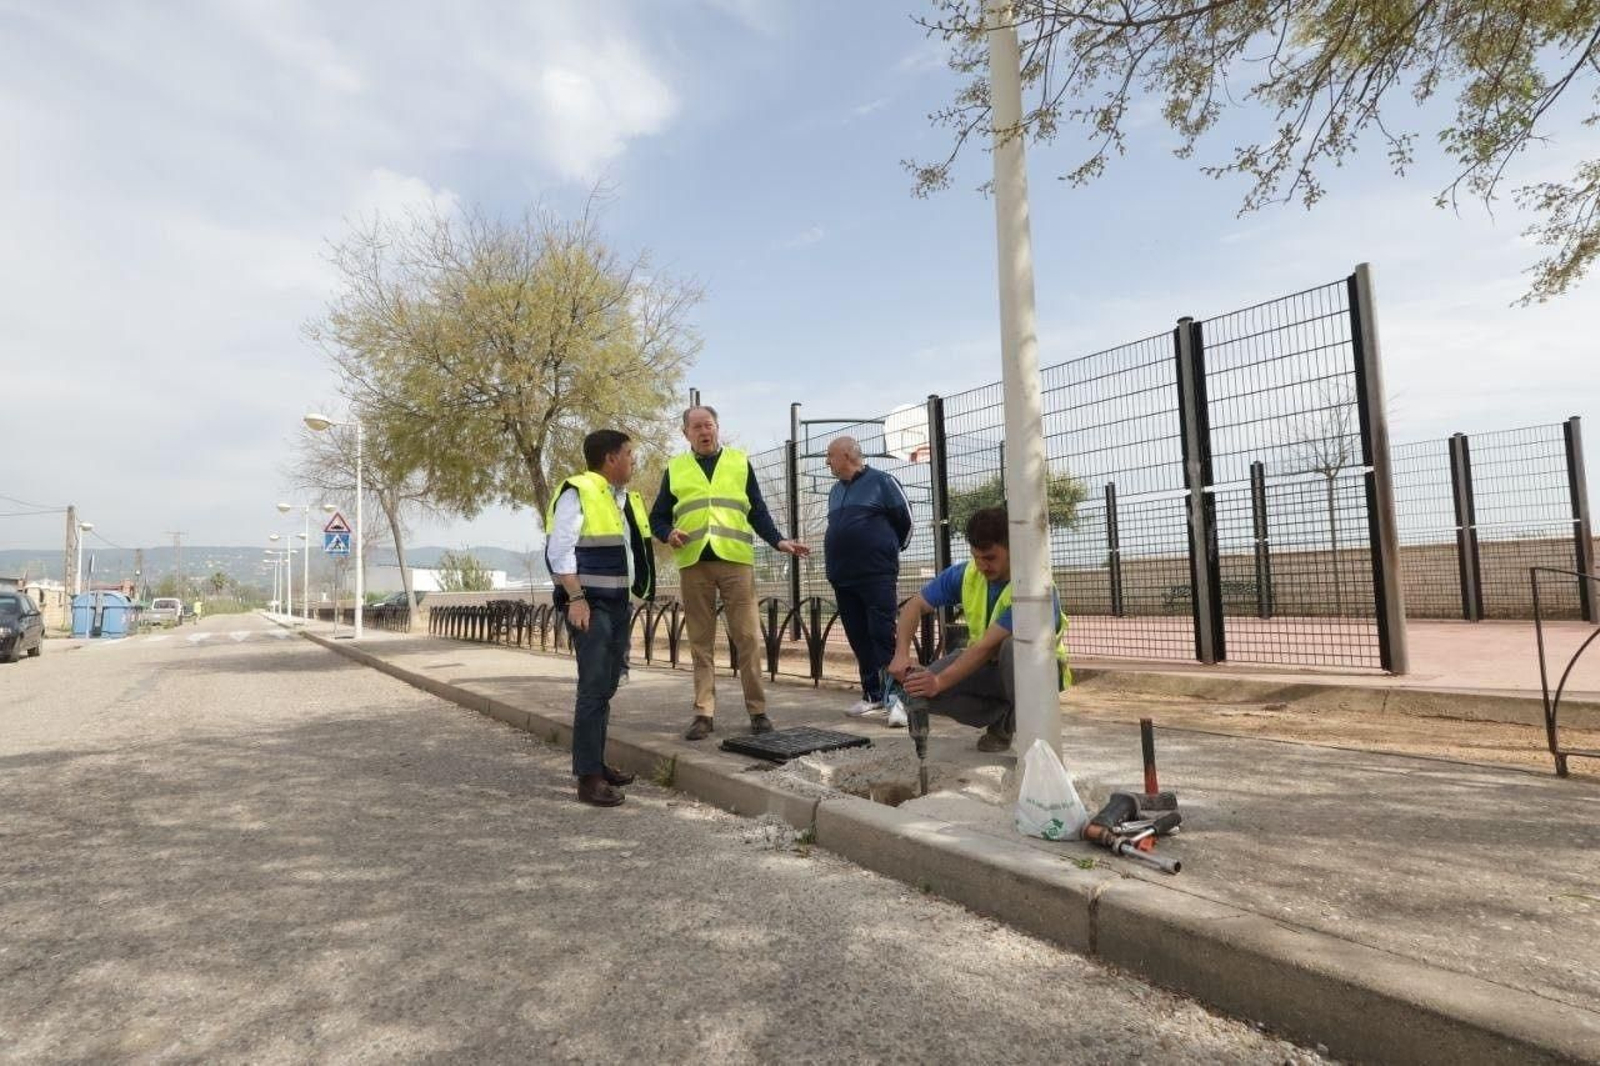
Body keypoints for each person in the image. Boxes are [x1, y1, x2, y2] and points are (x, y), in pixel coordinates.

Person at [650, 405, 809, 741]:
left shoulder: (739, 461)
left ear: (718, 428)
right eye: (696, 427)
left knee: (749, 637)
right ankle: (703, 713)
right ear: (686, 434)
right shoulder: (675, 468)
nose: (704, 431)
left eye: (709, 425)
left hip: (736, 561)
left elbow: (758, 510)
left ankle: (758, 711)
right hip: (694, 562)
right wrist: (668, 534)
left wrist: (778, 541)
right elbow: (658, 518)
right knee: (700, 641)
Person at [886, 507, 1069, 752]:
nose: (982, 565)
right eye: (976, 557)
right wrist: (901, 654)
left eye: (990, 557)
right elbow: (913, 606)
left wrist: (939, 680)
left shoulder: (1033, 588)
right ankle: (1002, 720)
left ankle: (1035, 743)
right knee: (922, 688)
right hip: (989, 666)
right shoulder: (966, 574)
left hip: (1039, 671)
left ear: (1013, 548)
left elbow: (986, 647)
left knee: (1011, 647)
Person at [545, 429, 656, 807]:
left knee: (607, 684)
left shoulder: (621, 499)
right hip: (589, 604)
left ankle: (596, 762)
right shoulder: (579, 491)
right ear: (611, 458)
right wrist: (576, 598)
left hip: (616, 603)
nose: (633, 460)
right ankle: (588, 778)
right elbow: (559, 550)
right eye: (629, 453)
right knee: (593, 687)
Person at [822, 436, 913, 725]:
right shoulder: (835, 491)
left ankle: (897, 700)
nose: (827, 462)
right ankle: (872, 694)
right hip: (843, 576)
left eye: (830, 456)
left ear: (847, 455)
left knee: (882, 634)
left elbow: (906, 522)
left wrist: (884, 552)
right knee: (858, 636)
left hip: (876, 575)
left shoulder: (883, 482)